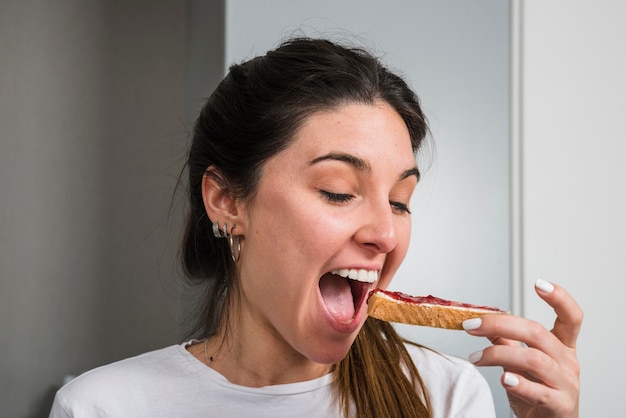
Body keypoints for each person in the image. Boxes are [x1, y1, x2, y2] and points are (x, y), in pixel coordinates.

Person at [50, 37, 582, 418]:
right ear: (227, 200)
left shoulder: (444, 397)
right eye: (338, 192)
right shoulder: (103, 406)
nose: (385, 234)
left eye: (399, 201)